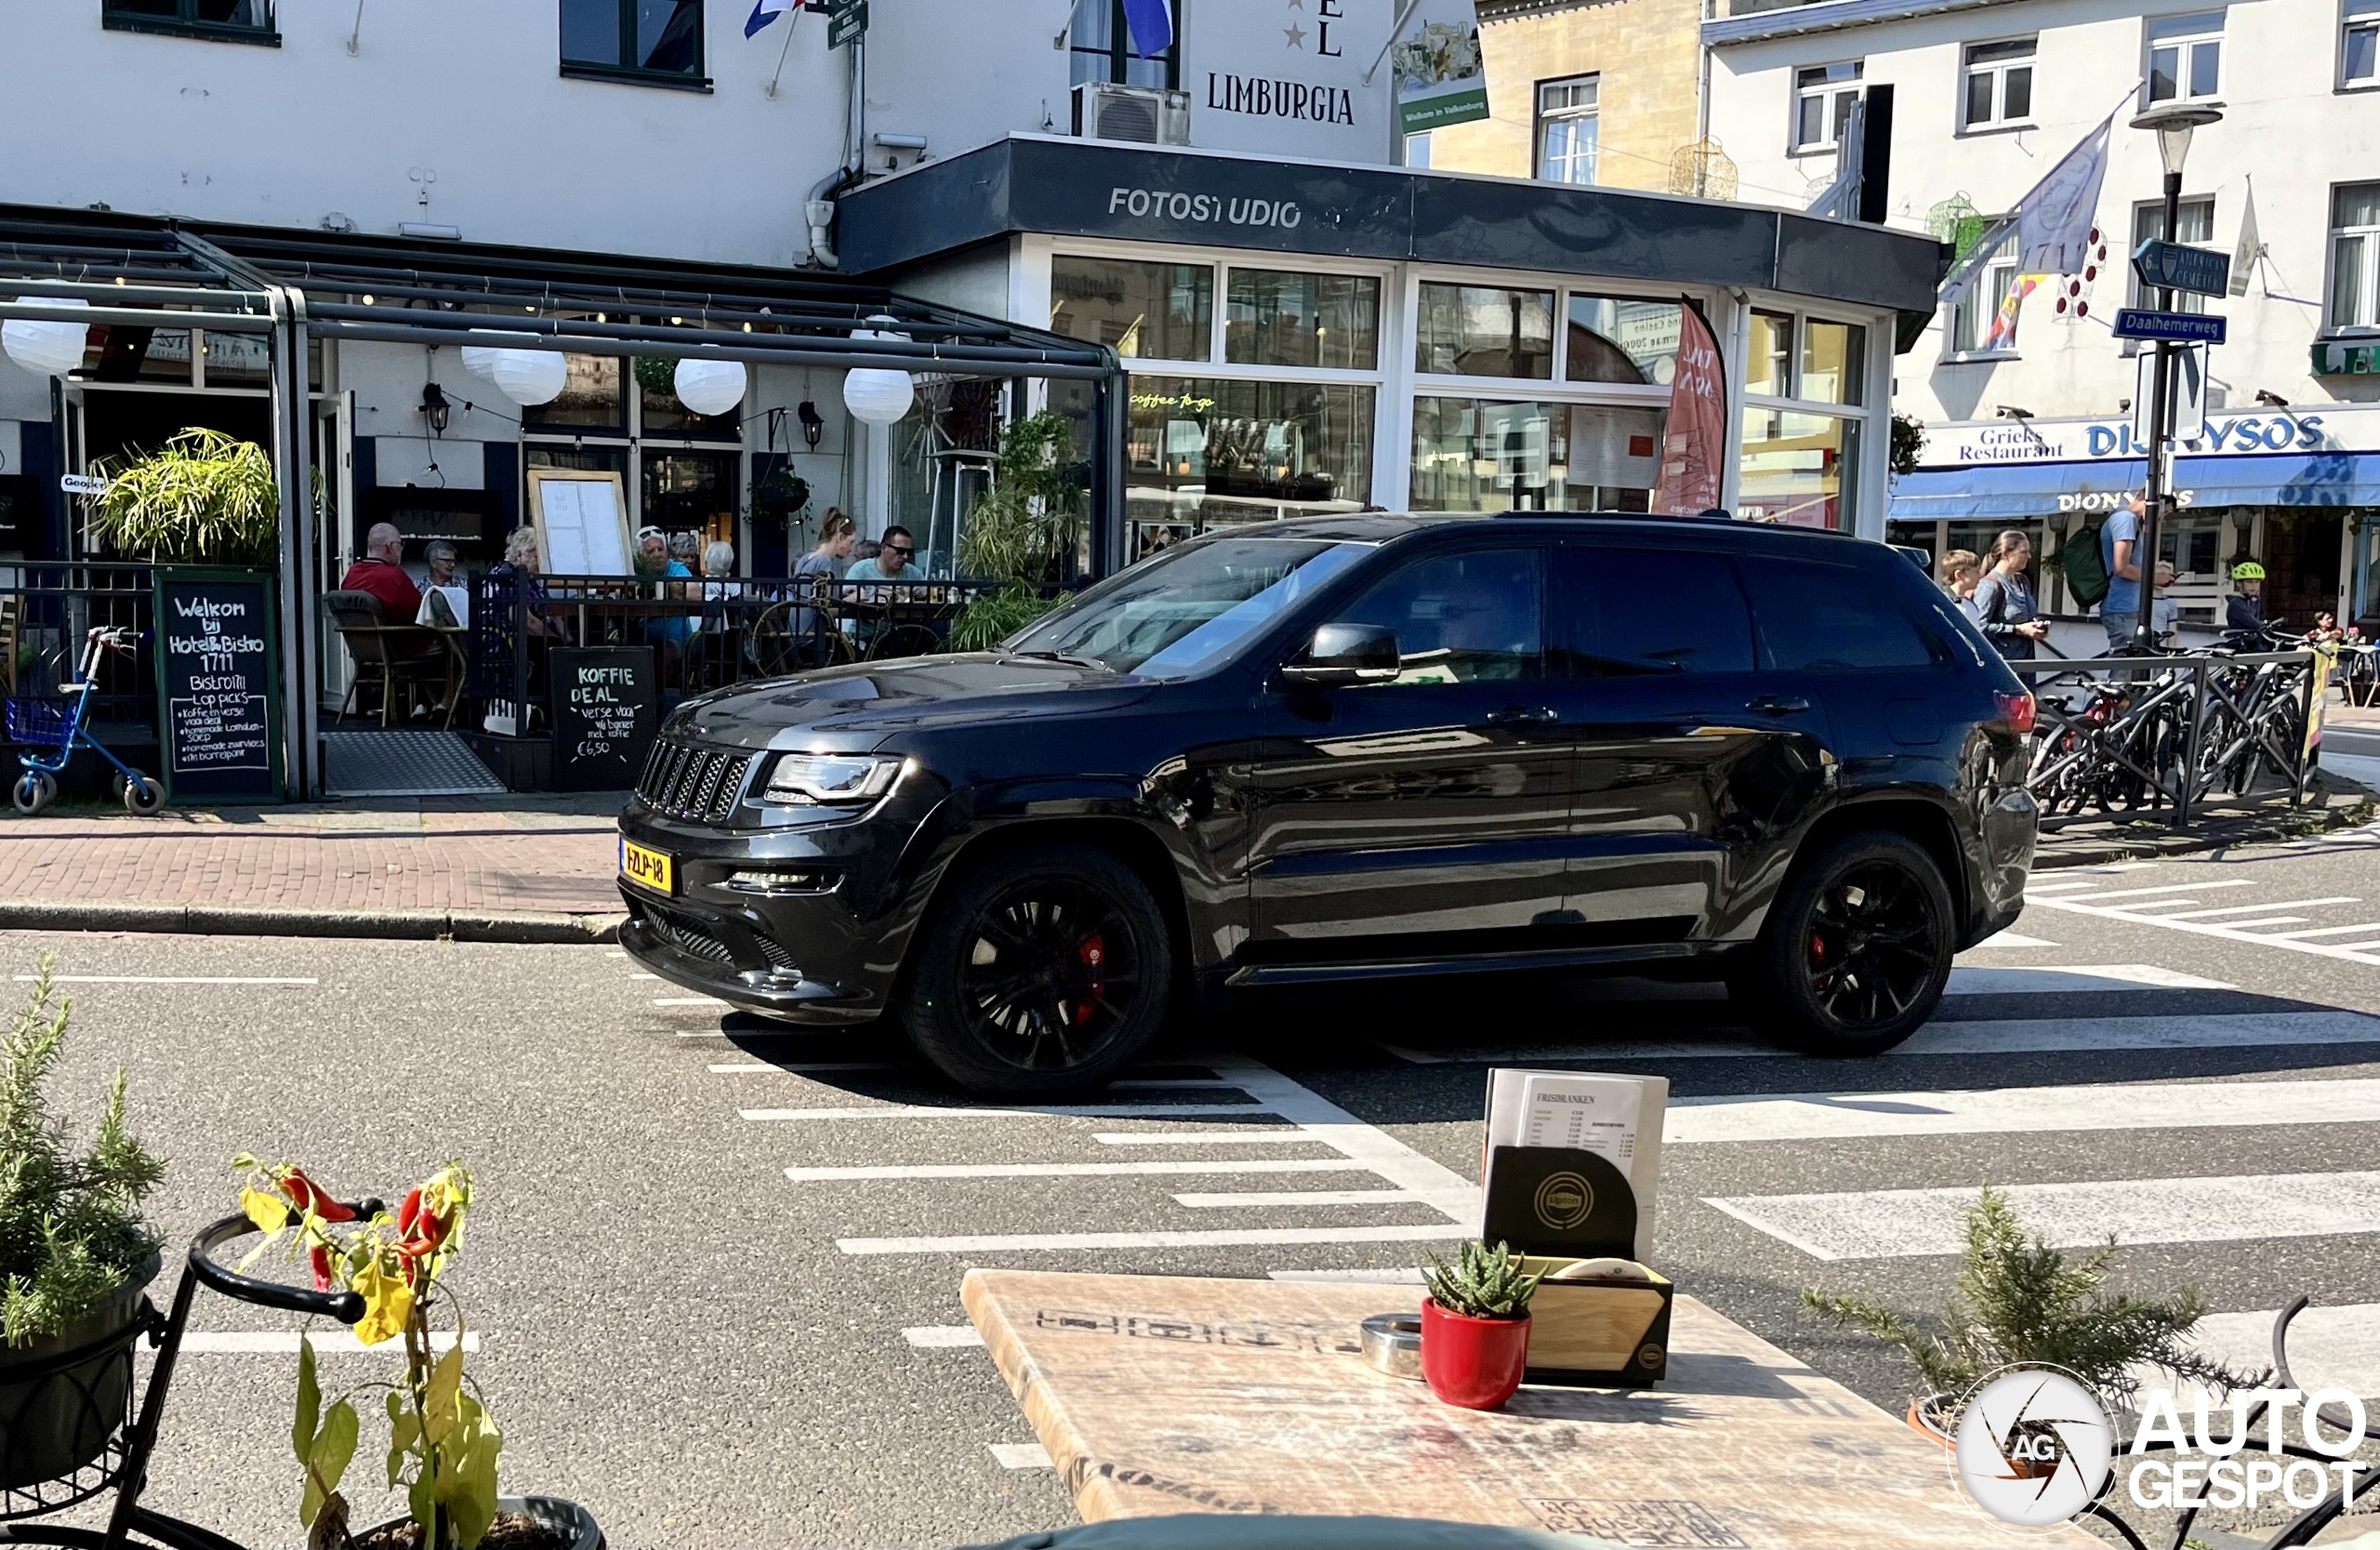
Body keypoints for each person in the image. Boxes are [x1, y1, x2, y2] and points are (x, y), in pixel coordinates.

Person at [1969, 529, 2049, 661]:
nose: (2029, 556)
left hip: (2026, 665)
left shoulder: (2022, 581)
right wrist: (2016, 630)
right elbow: (1978, 627)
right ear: (2006, 553)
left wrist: (2036, 626)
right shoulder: (1990, 585)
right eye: (2023, 552)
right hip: (2001, 666)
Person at [843, 525, 918, 651]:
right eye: (900, 551)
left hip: (902, 637)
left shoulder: (912, 572)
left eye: (909, 552)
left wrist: (921, 595)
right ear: (884, 548)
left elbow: (928, 595)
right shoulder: (860, 570)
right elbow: (844, 601)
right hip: (865, 637)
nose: (905, 556)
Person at [791, 510, 855, 648]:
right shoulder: (824, 562)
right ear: (840, 537)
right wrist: (849, 601)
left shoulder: (804, 559)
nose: (851, 549)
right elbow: (825, 609)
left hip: (795, 635)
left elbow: (809, 594)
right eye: (851, 542)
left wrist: (840, 595)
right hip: (814, 640)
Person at [339, 523, 423, 624]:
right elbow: (420, 611)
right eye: (400, 544)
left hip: (356, 638)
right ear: (390, 547)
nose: (401, 549)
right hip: (396, 637)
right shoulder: (393, 576)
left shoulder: (352, 573)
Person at [2100, 492, 2146, 654]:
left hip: (2125, 605)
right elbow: (2121, 567)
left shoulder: (2125, 519)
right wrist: (2154, 578)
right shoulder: (2126, 519)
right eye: (2165, 510)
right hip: (2122, 606)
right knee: (2123, 665)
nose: (2163, 517)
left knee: (2129, 664)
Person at [2225, 560, 2269, 640]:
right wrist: (2266, 625)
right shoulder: (2236, 603)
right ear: (2238, 583)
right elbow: (2254, 624)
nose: (2253, 586)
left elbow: (2261, 618)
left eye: (2257, 582)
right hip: (2240, 643)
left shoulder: (2255, 600)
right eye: (2249, 582)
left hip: (2253, 641)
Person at [1938, 549, 1982, 619]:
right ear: (1959, 575)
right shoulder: (1943, 603)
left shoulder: (1971, 605)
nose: (1980, 576)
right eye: (1976, 572)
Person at [2149, 561, 2180, 645]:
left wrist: (2172, 650)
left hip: (2161, 647)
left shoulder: (2170, 602)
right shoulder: (2141, 601)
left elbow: (2172, 630)